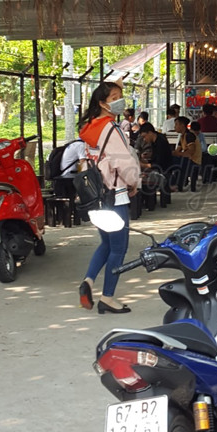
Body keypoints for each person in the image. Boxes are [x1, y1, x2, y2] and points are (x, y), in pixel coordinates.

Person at [78, 82, 141, 314]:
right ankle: (107, 297)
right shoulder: (111, 129)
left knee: (106, 243)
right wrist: (135, 182)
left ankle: (88, 280)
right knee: (119, 248)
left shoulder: (89, 128)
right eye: (114, 97)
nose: (119, 101)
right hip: (115, 195)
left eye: (120, 96)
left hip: (96, 195)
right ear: (103, 103)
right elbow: (123, 162)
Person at [174, 116, 202, 192]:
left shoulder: (189, 135)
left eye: (176, 124)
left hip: (194, 160)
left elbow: (191, 152)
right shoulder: (182, 136)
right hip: (188, 159)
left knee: (176, 163)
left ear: (182, 125)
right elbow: (178, 150)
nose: (174, 127)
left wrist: (179, 154)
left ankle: (177, 185)